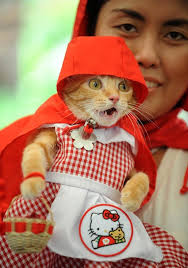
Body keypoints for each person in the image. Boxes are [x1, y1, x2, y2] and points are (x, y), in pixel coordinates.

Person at [0, 0, 187, 267]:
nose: (147, 55)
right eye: (127, 26)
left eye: (175, 34)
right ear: (88, 33)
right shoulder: (19, 140)